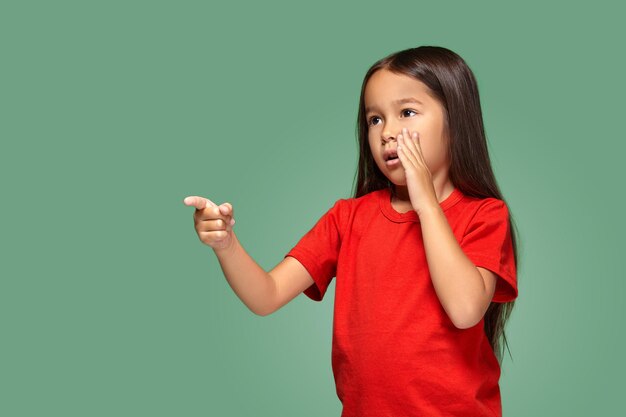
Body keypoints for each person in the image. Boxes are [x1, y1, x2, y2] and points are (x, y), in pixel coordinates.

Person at [183, 45, 519, 417]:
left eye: (406, 112)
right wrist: (225, 244)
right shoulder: (348, 218)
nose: (388, 132)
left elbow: (465, 309)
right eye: (375, 119)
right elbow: (267, 295)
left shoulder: (485, 215)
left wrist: (426, 202)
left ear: (456, 120)